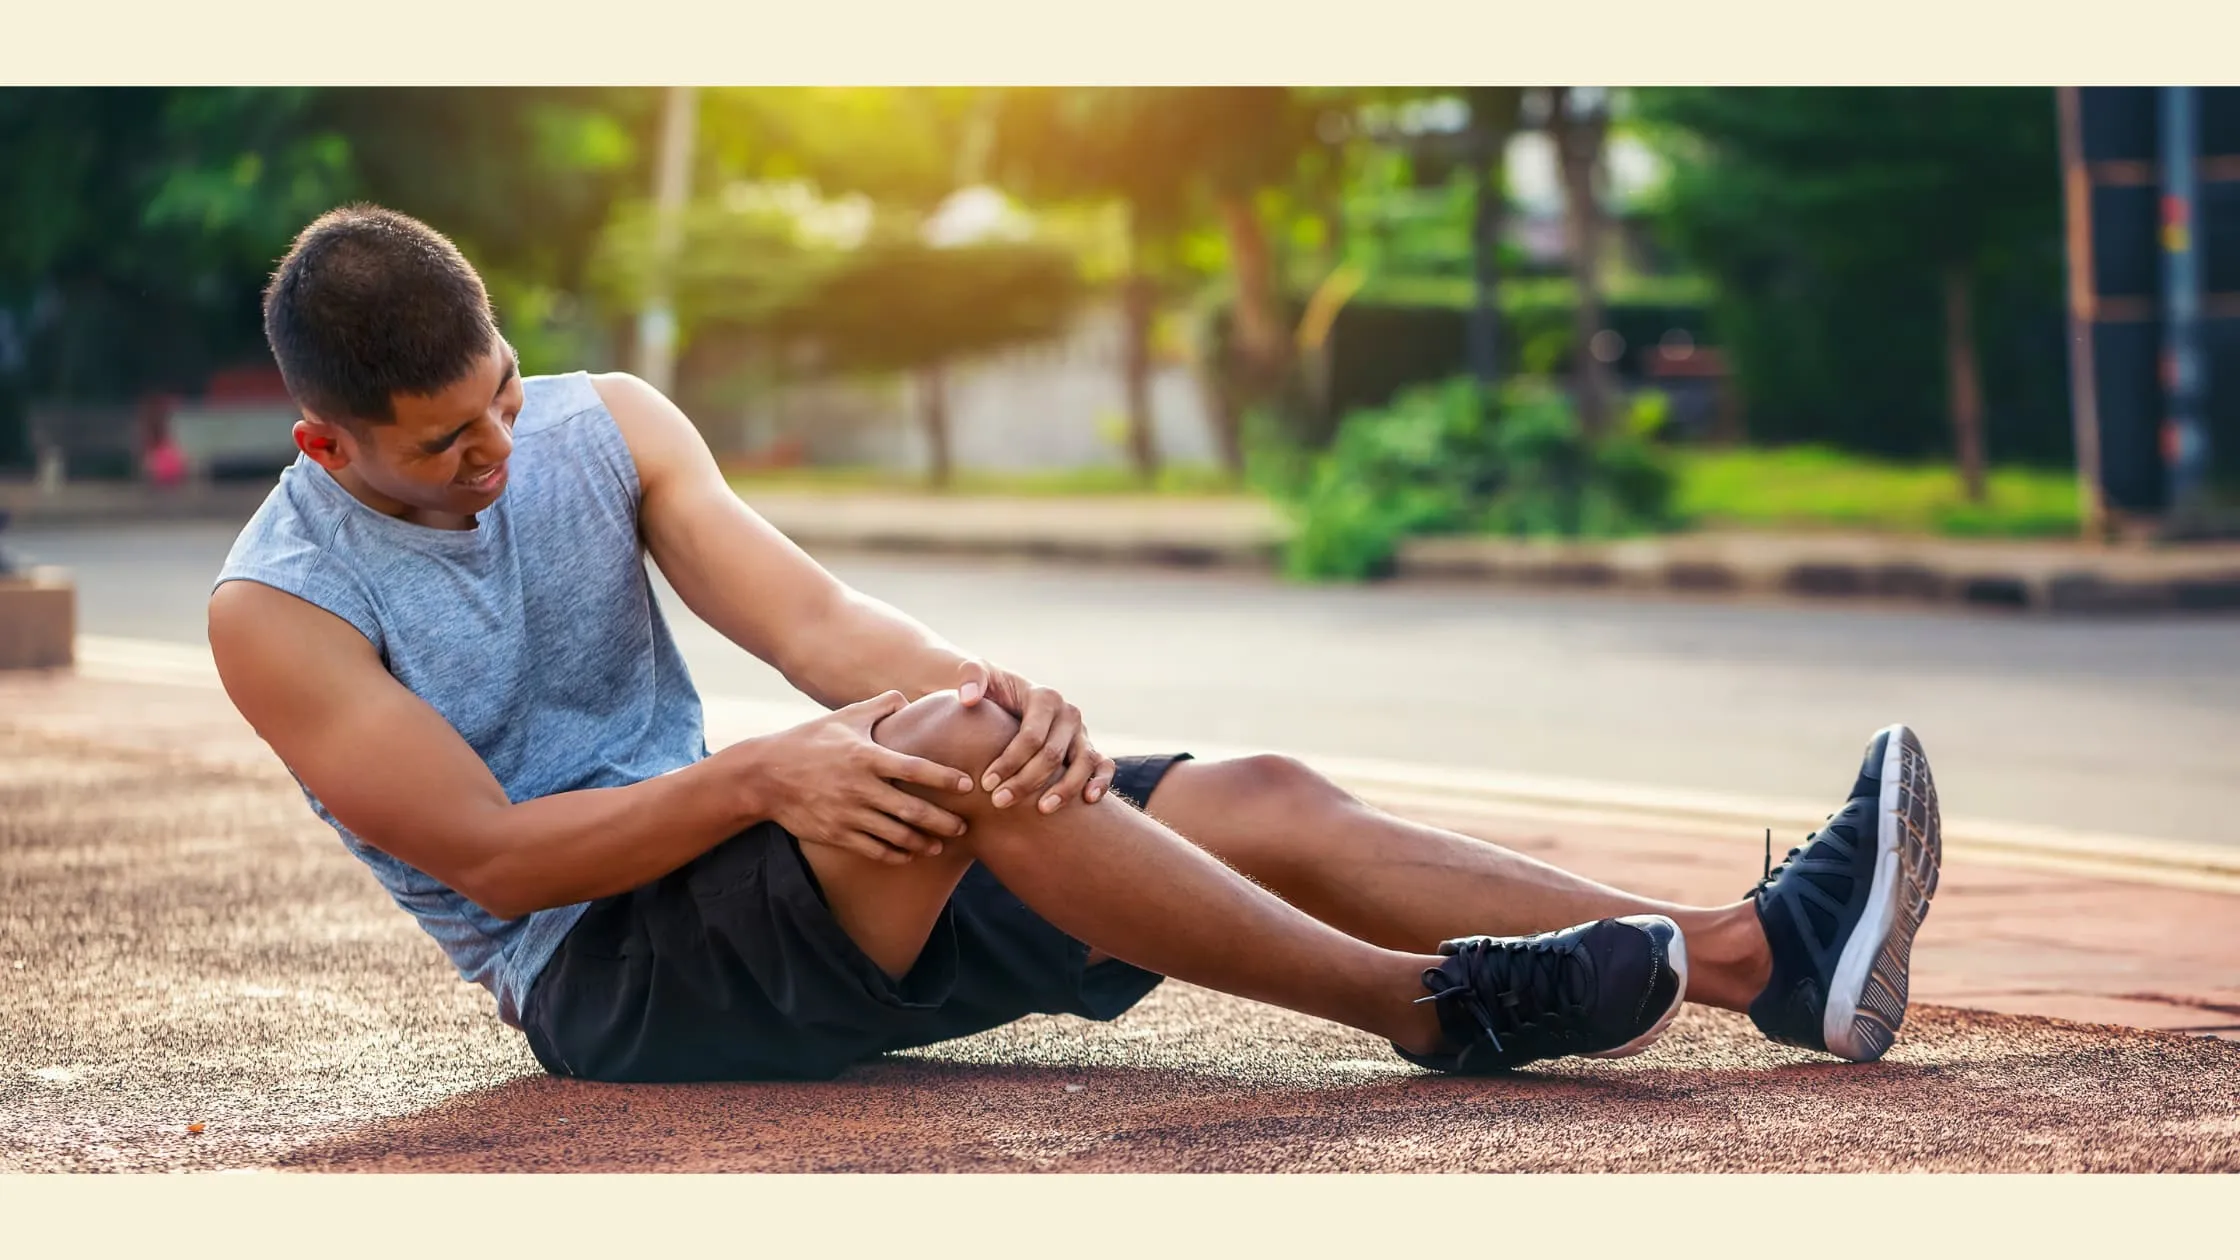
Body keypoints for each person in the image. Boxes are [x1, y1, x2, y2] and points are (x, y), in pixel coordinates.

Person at [208, 206, 1942, 1084]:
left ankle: (1756, 963)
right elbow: (501, 866)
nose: (500, 453)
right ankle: (1431, 1011)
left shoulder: (612, 425)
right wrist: (764, 779)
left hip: (800, 870)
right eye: (447, 445)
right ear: (329, 445)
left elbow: (818, 625)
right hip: (615, 978)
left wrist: (994, 694)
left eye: (503, 396)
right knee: (945, 757)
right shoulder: (276, 609)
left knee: (1240, 787)